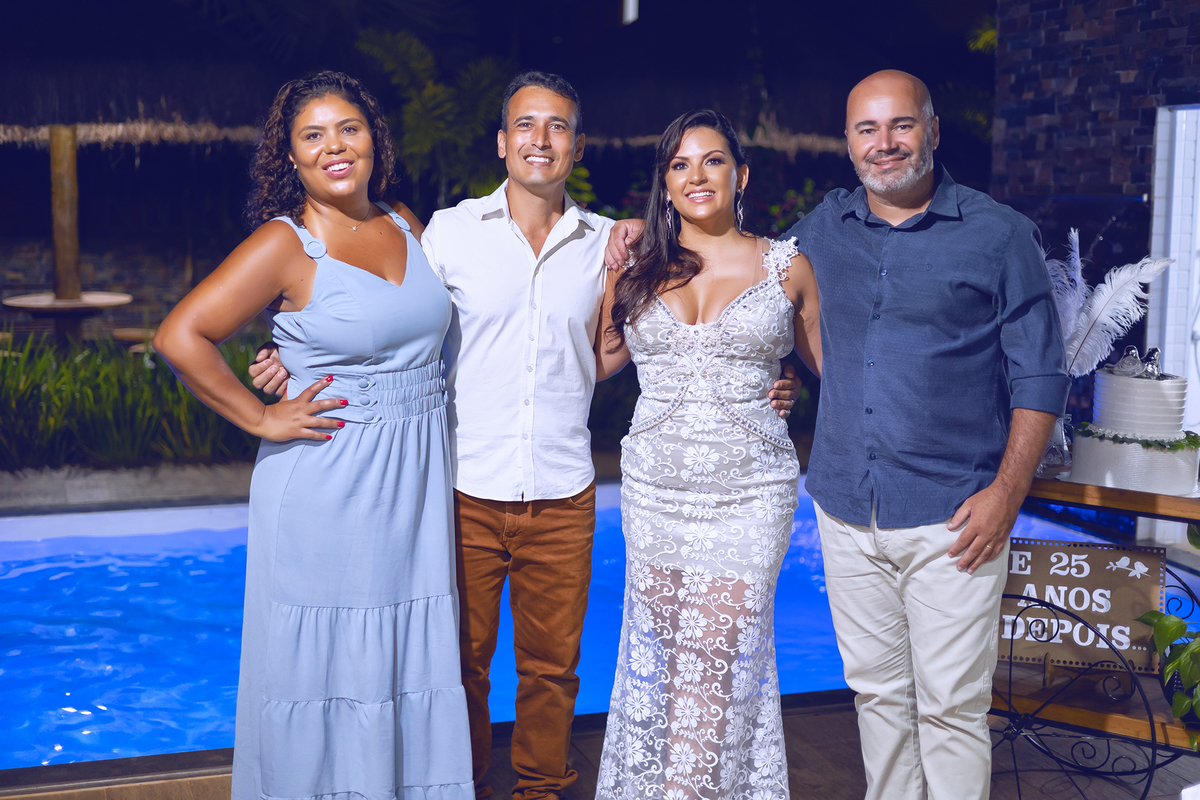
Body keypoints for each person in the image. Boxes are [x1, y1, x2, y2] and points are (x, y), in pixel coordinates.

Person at [250, 72, 804, 800]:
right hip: (463, 488)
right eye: (525, 125)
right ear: (502, 142)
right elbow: (380, 312)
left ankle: (542, 791)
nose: (540, 139)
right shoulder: (446, 233)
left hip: (562, 489)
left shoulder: (612, 243)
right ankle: (462, 786)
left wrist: (773, 376)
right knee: (460, 667)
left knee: (551, 672)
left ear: (578, 145)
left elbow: (635, 344)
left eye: (558, 126)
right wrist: (292, 353)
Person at [605, 71, 1069, 800]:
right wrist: (627, 232)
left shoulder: (999, 234)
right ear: (849, 143)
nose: (885, 144)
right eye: (866, 130)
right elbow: (776, 320)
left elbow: (1042, 375)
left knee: (951, 710)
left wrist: (1007, 494)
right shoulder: (823, 231)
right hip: (847, 506)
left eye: (901, 125)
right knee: (877, 698)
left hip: (953, 510)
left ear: (932, 130)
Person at [154, 71, 473, 800]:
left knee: (402, 658)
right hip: (328, 482)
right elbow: (180, 335)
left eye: (349, 129)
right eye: (314, 135)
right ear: (290, 156)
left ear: (374, 139)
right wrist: (261, 415)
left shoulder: (404, 222)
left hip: (413, 481)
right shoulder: (284, 243)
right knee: (329, 663)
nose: (335, 147)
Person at [592, 109, 821, 799]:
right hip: (655, 492)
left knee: (719, 659)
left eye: (713, 160)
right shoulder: (637, 266)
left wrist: (785, 380)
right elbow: (600, 361)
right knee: (667, 665)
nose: (697, 176)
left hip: (750, 494)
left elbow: (833, 371)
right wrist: (609, 268)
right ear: (665, 182)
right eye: (681, 164)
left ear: (740, 175)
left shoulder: (786, 265)